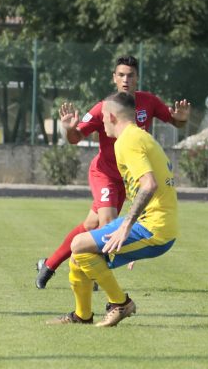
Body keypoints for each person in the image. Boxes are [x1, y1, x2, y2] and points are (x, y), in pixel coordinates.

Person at [35, 55, 190, 289]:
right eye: (121, 75)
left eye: (131, 75)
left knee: (90, 226)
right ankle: (99, 279)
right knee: (108, 223)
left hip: (127, 179)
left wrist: (182, 119)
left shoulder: (149, 102)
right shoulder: (103, 108)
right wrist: (68, 129)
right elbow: (75, 138)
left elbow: (176, 121)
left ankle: (49, 264)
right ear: (114, 78)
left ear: (137, 78)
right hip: (105, 174)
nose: (126, 79)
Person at [46, 91, 179, 327]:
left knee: (79, 246)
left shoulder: (128, 141)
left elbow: (149, 185)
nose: (101, 123)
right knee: (79, 257)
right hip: (149, 222)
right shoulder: (137, 137)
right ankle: (82, 316)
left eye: (103, 118)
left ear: (111, 117)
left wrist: (126, 227)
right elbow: (143, 189)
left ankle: (121, 303)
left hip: (154, 229)